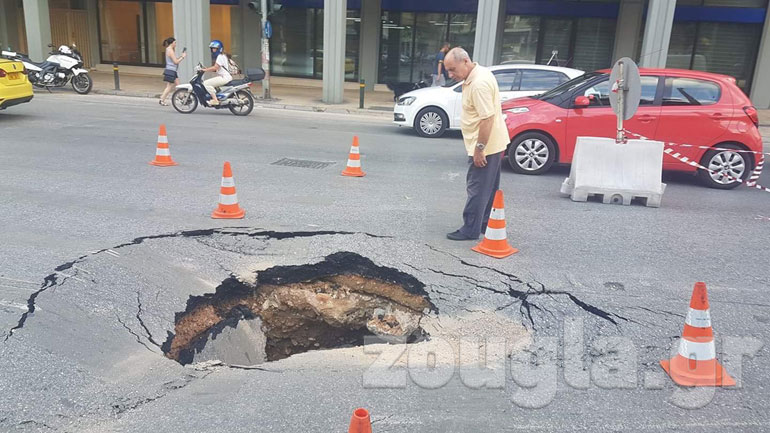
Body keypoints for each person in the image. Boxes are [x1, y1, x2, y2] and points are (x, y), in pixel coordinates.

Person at [442, 47, 510, 241]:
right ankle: (484, 223)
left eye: (453, 69)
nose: (450, 74)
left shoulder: (478, 83)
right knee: (488, 187)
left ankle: (470, 229)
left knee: (477, 187)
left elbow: (486, 119)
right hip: (493, 142)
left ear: (465, 61)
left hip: (485, 145)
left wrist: (480, 149)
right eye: (448, 70)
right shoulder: (478, 73)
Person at [200, 40, 233, 106]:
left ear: (219, 48)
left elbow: (215, 67)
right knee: (212, 81)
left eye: (214, 48)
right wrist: (206, 69)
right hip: (226, 77)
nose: (213, 50)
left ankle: (215, 100)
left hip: (224, 77)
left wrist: (205, 70)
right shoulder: (223, 55)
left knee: (206, 83)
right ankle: (217, 97)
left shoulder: (220, 57)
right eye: (212, 48)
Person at [159, 37, 186, 106]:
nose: (176, 44)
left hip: (171, 70)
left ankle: (182, 97)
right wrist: (182, 57)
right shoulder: (170, 50)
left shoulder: (168, 49)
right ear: (172, 43)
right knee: (169, 86)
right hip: (171, 70)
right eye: (175, 43)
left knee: (178, 84)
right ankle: (162, 99)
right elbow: (175, 62)